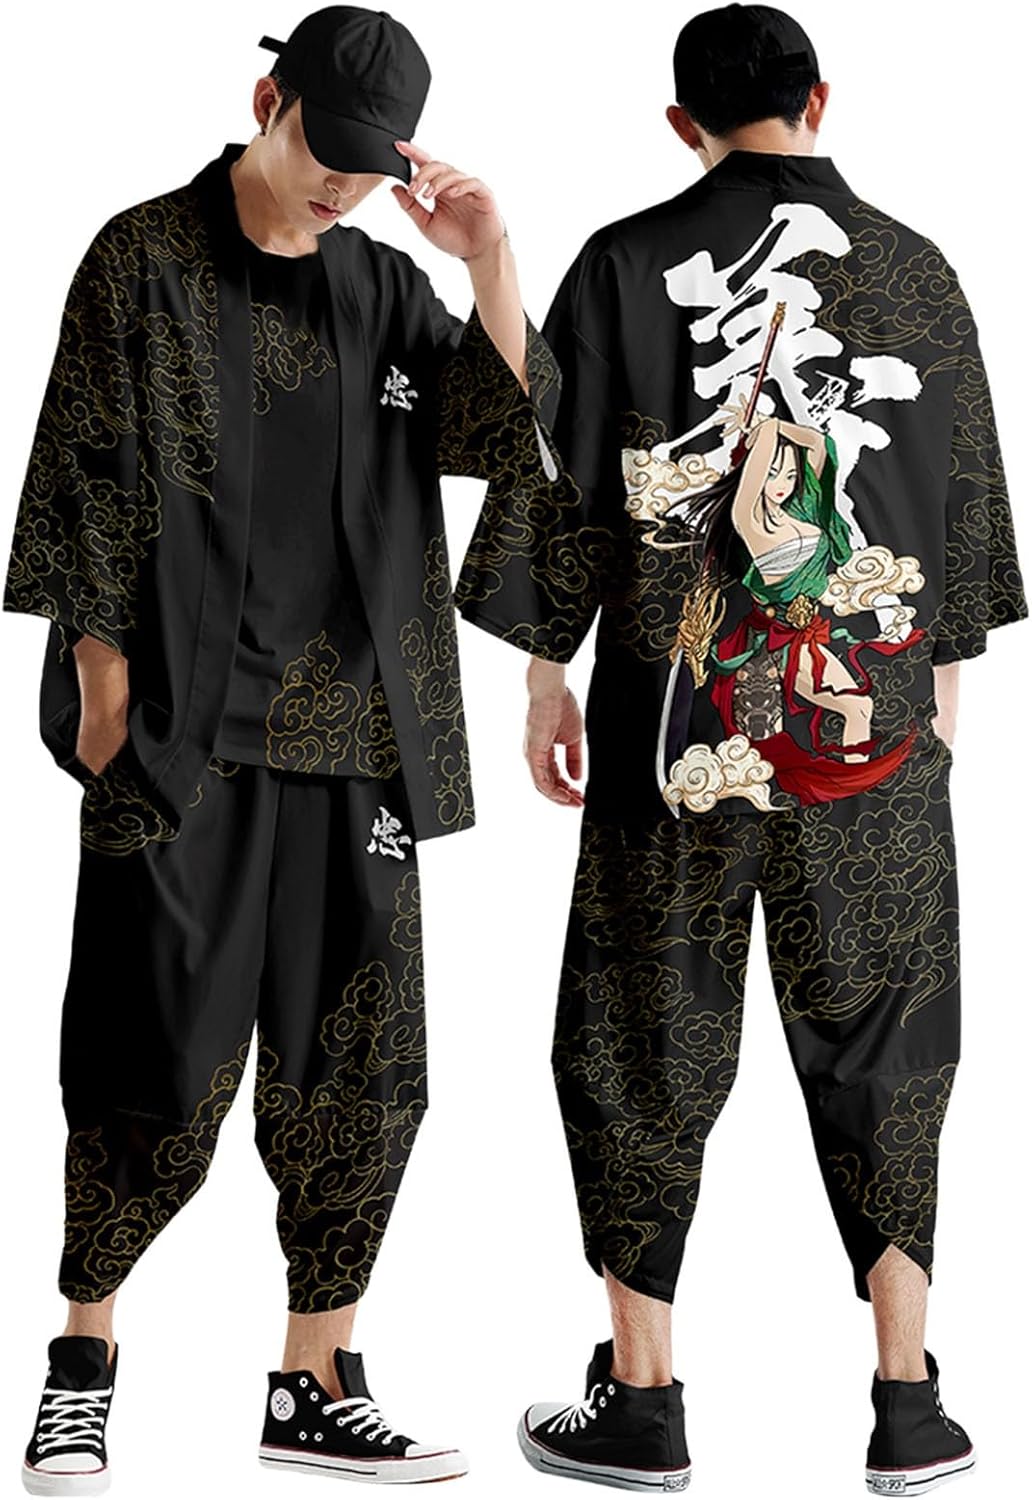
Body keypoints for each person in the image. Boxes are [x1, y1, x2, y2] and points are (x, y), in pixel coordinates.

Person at [454, 4, 1027, 1495]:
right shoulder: (917, 271)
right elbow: (959, 515)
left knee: (638, 1036)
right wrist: (938, 696)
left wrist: (546, 676)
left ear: (681, 123)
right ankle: (909, 1401)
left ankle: (644, 1406)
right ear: (823, 98)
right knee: (890, 1042)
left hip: (676, 735)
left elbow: (559, 490)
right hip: (869, 738)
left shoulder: (621, 264)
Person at [5, 6, 557, 1493]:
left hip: (358, 739)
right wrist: (105, 701)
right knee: (147, 1048)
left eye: (374, 168)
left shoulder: (382, 287)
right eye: (328, 152)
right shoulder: (143, 256)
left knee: (362, 1069)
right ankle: (82, 1359)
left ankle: (315, 1381)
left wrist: (489, 260)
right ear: (269, 99)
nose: (344, 187)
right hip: (179, 740)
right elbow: (82, 472)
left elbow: (507, 433)